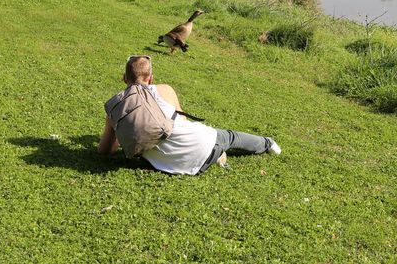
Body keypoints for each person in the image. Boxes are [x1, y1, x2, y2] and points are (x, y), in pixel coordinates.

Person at [98, 55, 281, 175]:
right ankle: (268, 143)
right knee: (230, 137)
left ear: (124, 79)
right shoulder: (164, 90)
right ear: (151, 78)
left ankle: (219, 156)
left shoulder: (115, 108)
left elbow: (105, 152)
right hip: (204, 146)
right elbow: (182, 122)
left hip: (171, 167)